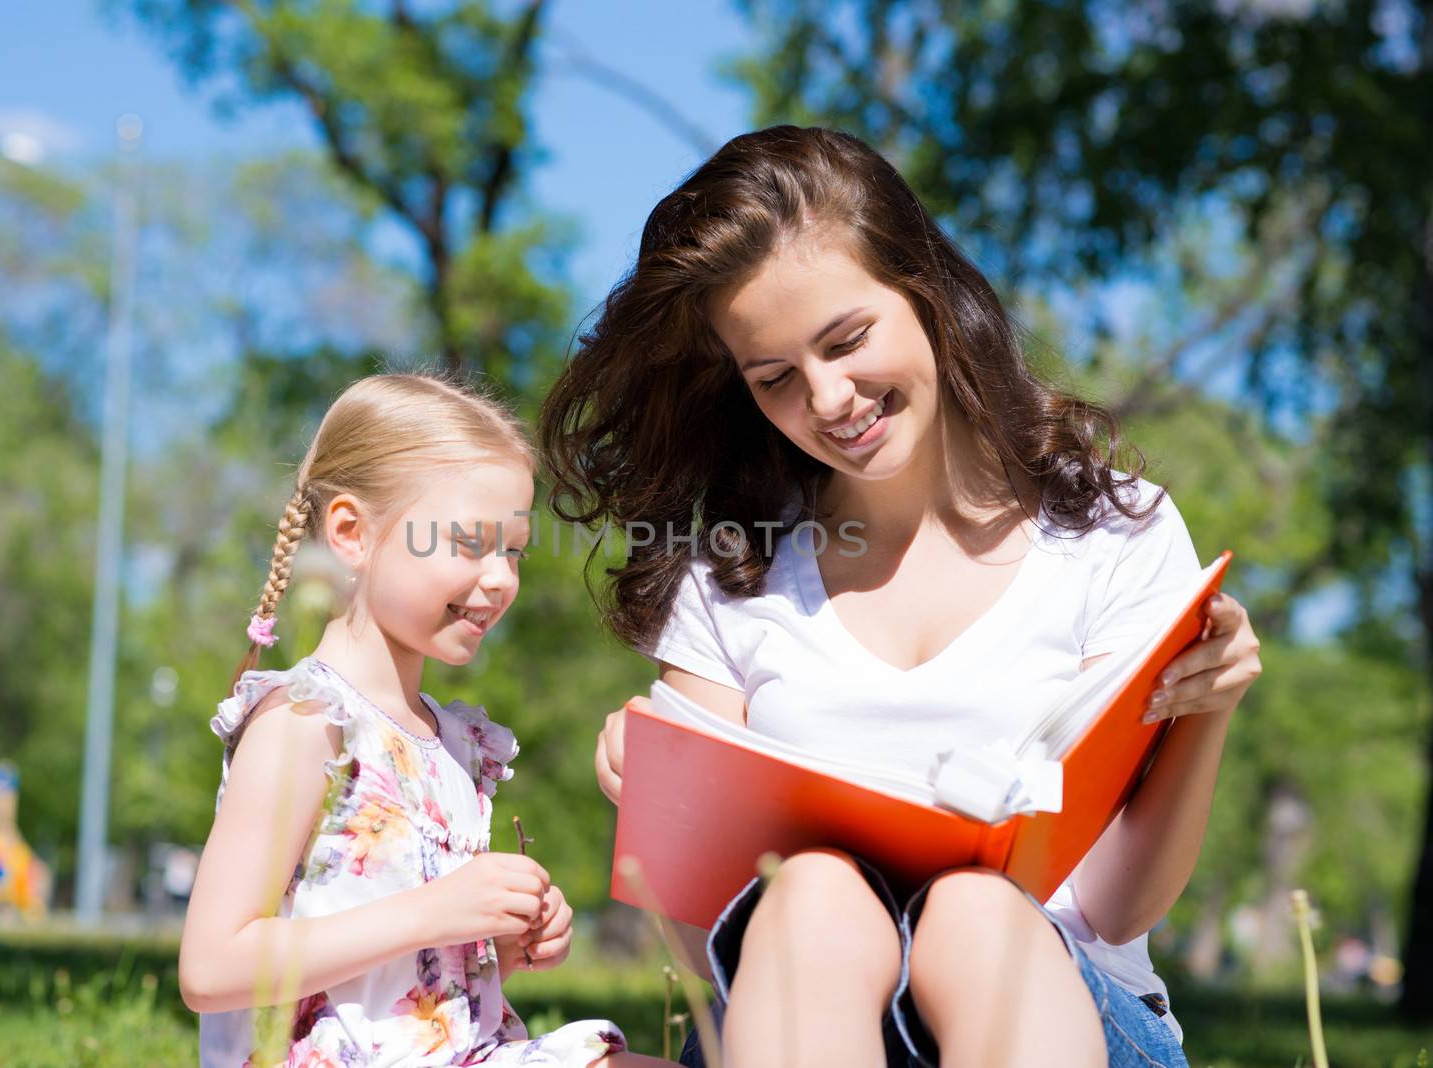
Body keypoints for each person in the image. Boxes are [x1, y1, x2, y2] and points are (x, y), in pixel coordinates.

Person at [537, 126, 1262, 1068]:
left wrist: (1207, 708)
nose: (830, 399)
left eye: (847, 341)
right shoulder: (731, 572)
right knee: (811, 896)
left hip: (1070, 1011)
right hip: (803, 1025)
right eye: (776, 378)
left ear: (924, 291)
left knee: (972, 914)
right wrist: (661, 812)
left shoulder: (1113, 535)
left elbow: (1118, 908)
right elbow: (713, 970)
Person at [183, 373, 671, 1068]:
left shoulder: (452, 741)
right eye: (472, 544)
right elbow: (211, 968)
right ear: (352, 532)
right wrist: (438, 912)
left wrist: (494, 939)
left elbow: (401, 969)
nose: (502, 578)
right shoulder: (305, 723)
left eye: (514, 551)